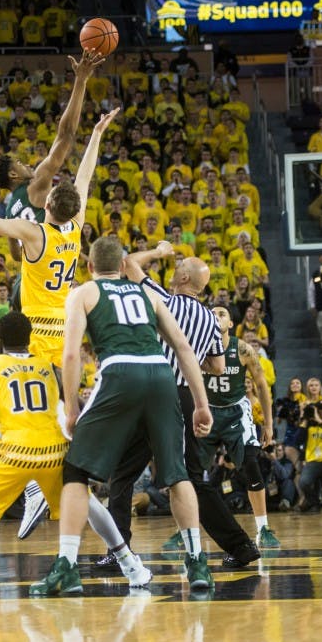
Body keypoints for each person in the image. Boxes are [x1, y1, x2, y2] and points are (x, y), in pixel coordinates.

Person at [0, 107, 121, 540]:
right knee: (61, 417)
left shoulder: (32, 231)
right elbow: (86, 175)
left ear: (47, 208)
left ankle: (37, 487)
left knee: (33, 416)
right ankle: (53, 484)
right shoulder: (76, 227)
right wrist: (96, 133)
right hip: (68, 326)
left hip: (37, 329)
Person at [0, 312, 151, 598]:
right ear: (29, 337)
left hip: (13, 452)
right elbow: (79, 406)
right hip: (54, 451)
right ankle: (132, 566)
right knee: (87, 502)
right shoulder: (49, 366)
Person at [29, 236, 214, 595]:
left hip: (118, 371)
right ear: (124, 265)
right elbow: (182, 346)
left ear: (89, 267)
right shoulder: (148, 294)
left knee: (76, 472)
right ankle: (197, 562)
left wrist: (71, 405)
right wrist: (201, 403)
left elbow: (70, 356)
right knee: (177, 475)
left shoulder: (83, 293)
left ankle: (66, 566)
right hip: (161, 375)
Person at [99, 241, 262, 573]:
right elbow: (216, 366)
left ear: (185, 277)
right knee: (190, 479)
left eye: (178, 267)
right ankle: (241, 547)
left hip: (153, 390)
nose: (173, 269)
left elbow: (127, 263)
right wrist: (190, 360)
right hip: (186, 396)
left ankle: (120, 552)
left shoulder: (165, 299)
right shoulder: (209, 319)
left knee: (124, 475)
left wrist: (158, 253)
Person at [195, 304, 280, 544]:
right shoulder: (196, 347)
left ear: (231, 324)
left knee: (250, 464)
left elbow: (263, 386)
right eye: (211, 313)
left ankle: (263, 528)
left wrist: (269, 424)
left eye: (221, 313)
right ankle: (187, 529)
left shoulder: (242, 349)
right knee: (190, 472)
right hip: (207, 411)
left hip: (235, 412)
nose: (216, 316)